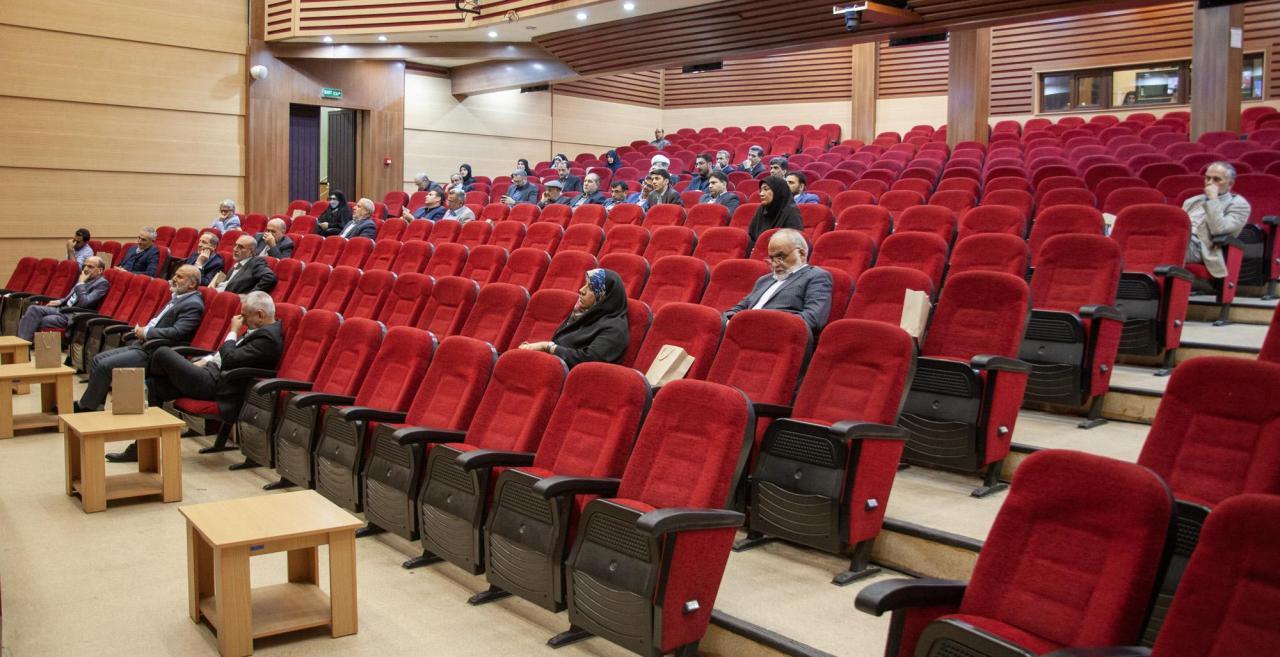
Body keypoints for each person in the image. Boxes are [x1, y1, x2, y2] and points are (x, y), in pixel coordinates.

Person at [146, 290, 284, 453]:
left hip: (216, 384)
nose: (241, 320)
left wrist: (233, 331)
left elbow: (230, 359)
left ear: (260, 315)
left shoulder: (267, 339)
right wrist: (205, 360)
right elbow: (226, 353)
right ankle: (147, 447)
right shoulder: (259, 329)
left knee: (162, 352)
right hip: (209, 372)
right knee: (155, 385)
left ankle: (145, 380)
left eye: (244, 316)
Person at [77, 265, 205, 420]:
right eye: (175, 275)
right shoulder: (178, 298)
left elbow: (178, 332)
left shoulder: (193, 304)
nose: (173, 279)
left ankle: (86, 408)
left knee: (105, 366)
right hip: (144, 345)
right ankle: (93, 407)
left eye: (180, 277)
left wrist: (147, 332)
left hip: (156, 352)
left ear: (192, 284)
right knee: (98, 360)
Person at [725, 228, 832, 334]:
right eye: (772, 258)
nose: (775, 264)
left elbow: (813, 318)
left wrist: (762, 324)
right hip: (743, 331)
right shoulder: (764, 280)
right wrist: (727, 320)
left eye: (781, 257)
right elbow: (739, 308)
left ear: (801, 253)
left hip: (777, 334)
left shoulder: (816, 276)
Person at [519, 269, 629, 368]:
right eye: (585, 284)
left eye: (590, 288)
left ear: (604, 297)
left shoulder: (615, 330)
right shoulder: (585, 314)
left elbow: (589, 361)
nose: (581, 290)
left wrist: (547, 347)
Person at [1183, 161, 1252, 283]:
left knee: (1166, 246)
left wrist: (1213, 200)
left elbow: (1218, 230)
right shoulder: (1192, 201)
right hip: (1183, 239)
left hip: (1202, 248)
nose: (1210, 183)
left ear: (1230, 184)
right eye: (1207, 178)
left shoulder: (1239, 204)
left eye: (1216, 179)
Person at [17, 257, 109, 341]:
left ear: (100, 270)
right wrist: (60, 301)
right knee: (33, 309)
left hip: (72, 315)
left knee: (35, 319)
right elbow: (73, 296)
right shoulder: (85, 278)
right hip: (62, 308)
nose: (85, 269)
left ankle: (23, 346)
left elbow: (85, 302)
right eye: (84, 266)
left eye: (90, 267)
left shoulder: (102, 284)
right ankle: (22, 345)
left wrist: (81, 283)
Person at [747, 176, 803, 246]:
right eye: (760, 190)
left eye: (766, 189)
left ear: (778, 191)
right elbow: (751, 236)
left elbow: (794, 243)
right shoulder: (761, 209)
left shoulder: (791, 212)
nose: (761, 194)